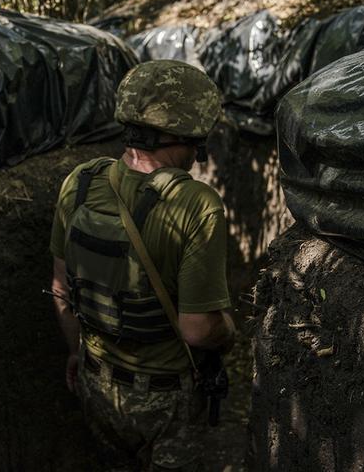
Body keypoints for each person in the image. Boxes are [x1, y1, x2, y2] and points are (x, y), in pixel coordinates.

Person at [49, 60, 236, 471]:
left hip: (96, 385)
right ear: (189, 133)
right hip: (167, 402)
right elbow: (199, 329)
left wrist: (76, 354)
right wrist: (229, 329)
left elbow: (61, 290)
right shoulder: (196, 204)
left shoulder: (79, 183)